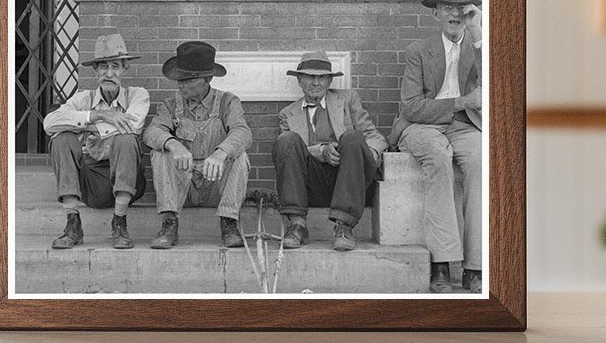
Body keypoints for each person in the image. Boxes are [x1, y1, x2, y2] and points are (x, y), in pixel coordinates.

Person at [389, 0, 484, 294]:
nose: (455, 14)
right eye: (447, 7)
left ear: (469, 11)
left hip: (464, 126)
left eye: (461, 7)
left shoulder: (477, 46)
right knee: (439, 159)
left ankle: (475, 267)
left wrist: (479, 36)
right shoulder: (419, 51)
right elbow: (412, 107)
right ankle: (441, 265)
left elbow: (496, 87)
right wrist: (460, 101)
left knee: (480, 161)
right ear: (436, 14)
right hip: (421, 127)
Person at [43, 33, 149, 251]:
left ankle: (119, 222)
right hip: (92, 182)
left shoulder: (137, 95)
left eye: (115, 67)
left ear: (124, 69)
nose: (109, 74)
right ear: (95, 71)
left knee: (126, 139)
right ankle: (73, 224)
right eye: (103, 67)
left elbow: (133, 125)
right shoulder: (84, 99)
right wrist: (98, 116)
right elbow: (49, 123)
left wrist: (84, 125)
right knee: (61, 139)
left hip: (128, 179)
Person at [142, 41, 252, 249]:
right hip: (184, 187)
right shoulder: (170, 105)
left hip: (215, 186)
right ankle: (169, 224)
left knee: (240, 156)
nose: (180, 84)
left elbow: (243, 132)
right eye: (178, 78)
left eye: (187, 79)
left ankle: (229, 223)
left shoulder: (228, 102)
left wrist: (221, 153)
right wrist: (173, 144)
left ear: (207, 79)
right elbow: (151, 132)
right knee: (160, 152)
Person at [273, 52, 387, 252]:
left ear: (329, 80)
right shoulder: (287, 114)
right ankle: (297, 224)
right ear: (300, 80)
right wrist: (321, 150)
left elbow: (374, 136)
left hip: (349, 179)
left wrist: (366, 154)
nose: (316, 82)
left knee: (352, 137)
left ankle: (344, 226)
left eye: (322, 77)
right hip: (312, 184)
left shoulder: (347, 99)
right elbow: (291, 156)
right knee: (286, 141)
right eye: (310, 77)